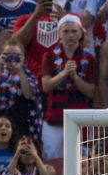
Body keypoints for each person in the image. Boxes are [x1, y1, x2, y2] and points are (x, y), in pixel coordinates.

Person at [41, 14, 97, 159]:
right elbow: (46, 86)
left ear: (81, 33)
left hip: (80, 118)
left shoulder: (89, 59)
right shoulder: (49, 56)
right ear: (59, 34)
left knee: (80, 160)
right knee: (53, 158)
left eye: (74, 31)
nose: (70, 35)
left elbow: (91, 92)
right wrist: (64, 73)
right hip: (54, 118)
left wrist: (75, 77)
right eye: (66, 31)